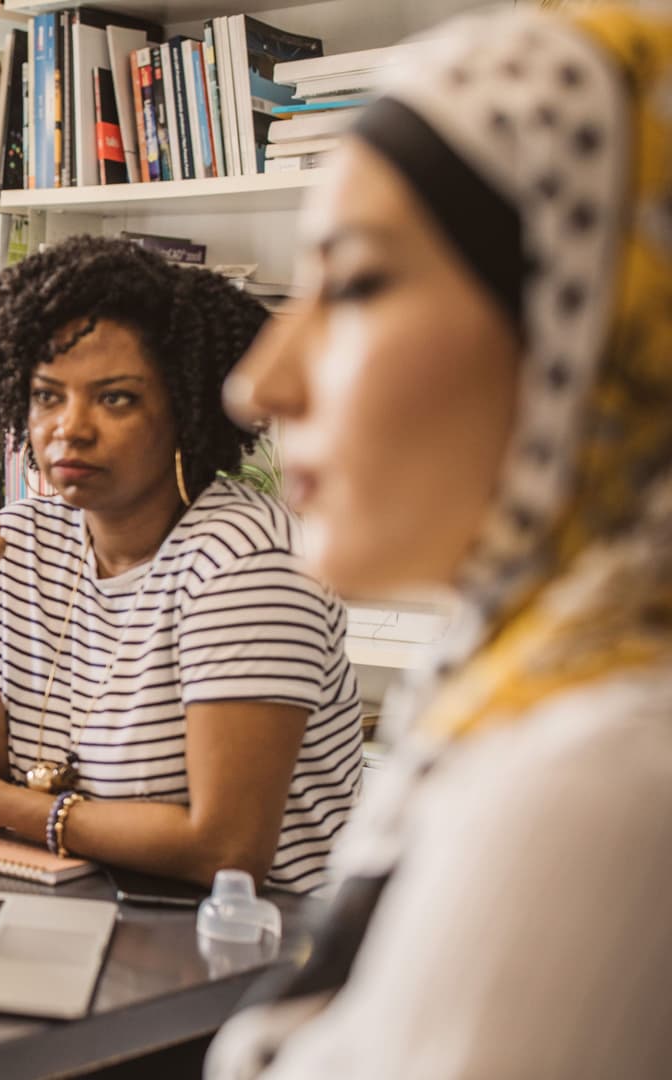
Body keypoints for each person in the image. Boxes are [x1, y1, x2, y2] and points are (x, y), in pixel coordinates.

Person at [207, 7, 672, 1076]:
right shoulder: (517, 693)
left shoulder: (595, 787)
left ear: (590, 321)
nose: (259, 386)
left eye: (359, 283)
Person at [0, 236, 363, 893]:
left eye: (116, 398)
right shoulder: (20, 541)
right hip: (76, 904)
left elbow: (227, 849)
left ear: (186, 408)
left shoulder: (248, 563)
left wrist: (6, 805)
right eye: (47, 396)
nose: (70, 427)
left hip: (246, 941)